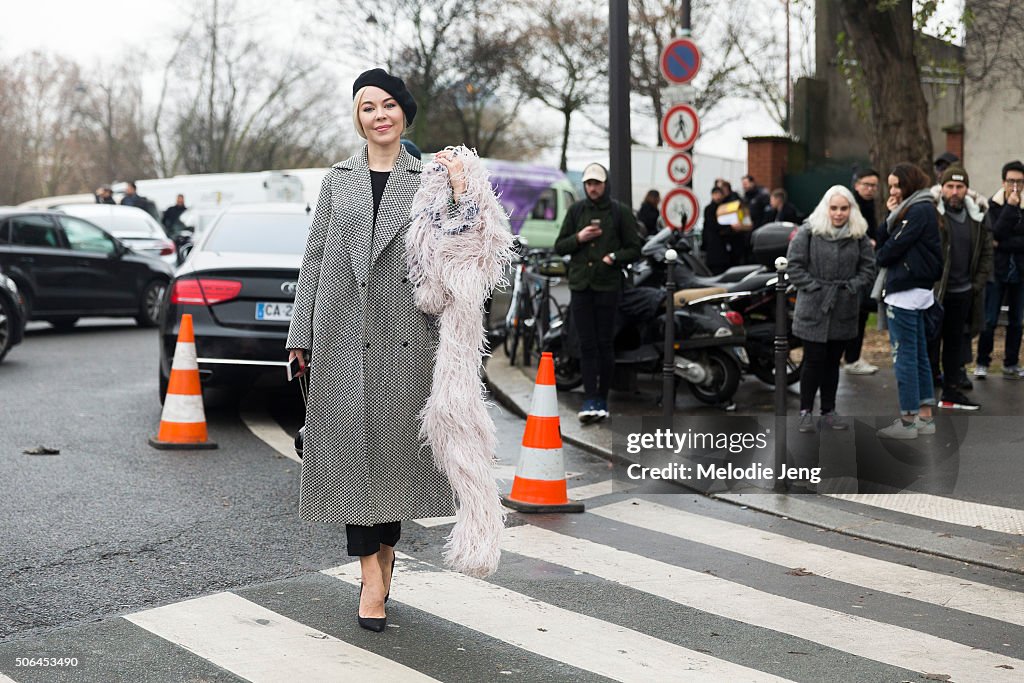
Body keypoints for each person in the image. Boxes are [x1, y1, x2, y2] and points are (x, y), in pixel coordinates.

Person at [285, 68, 473, 633]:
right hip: (340, 339)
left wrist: (462, 193)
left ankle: (382, 560)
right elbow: (314, 261)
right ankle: (371, 580)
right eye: (368, 107)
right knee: (347, 469)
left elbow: (458, 251)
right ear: (358, 118)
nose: (379, 115)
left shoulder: (430, 179)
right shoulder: (336, 180)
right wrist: (300, 338)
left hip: (404, 339)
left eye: (388, 105)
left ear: (405, 114)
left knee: (391, 467)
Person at [555, 162, 642, 423]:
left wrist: (613, 257)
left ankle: (602, 398)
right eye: (589, 183)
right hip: (581, 286)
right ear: (584, 185)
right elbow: (560, 246)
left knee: (605, 343)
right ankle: (589, 397)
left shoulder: (619, 212)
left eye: (597, 183)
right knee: (586, 344)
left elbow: (635, 248)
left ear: (605, 185)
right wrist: (579, 238)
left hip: (607, 286)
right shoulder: (576, 211)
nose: (593, 188)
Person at [786, 186, 876, 433]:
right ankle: (805, 411)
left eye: (844, 208)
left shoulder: (859, 235)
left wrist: (852, 287)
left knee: (832, 362)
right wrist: (813, 287)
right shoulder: (809, 231)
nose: (838, 213)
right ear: (826, 208)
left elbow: (868, 268)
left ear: (851, 210)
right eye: (834, 208)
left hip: (844, 307)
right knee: (813, 361)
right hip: (814, 307)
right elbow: (794, 266)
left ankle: (828, 410)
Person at [874, 163, 943, 440]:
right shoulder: (919, 207)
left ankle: (908, 421)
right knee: (919, 355)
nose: (893, 191)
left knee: (904, 356)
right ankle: (925, 417)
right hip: (918, 290)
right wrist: (891, 215)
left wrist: (891, 223)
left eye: (897, 185)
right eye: (890, 186)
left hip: (905, 291)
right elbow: (886, 238)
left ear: (910, 184)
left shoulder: (918, 210)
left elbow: (886, 251)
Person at [928, 166, 993, 410]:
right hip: (936, 293)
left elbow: (986, 252)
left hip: (964, 292)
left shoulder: (977, 215)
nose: (954, 192)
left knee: (956, 344)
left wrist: (977, 284)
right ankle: (925, 394)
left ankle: (951, 392)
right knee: (930, 343)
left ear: (966, 189)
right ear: (942, 188)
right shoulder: (933, 213)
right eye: (950, 187)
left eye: (959, 187)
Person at [975, 160, 1024, 380]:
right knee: (990, 318)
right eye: (1011, 181)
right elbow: (993, 234)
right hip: (997, 270)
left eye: (1020, 182)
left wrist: (1004, 242)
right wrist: (1011, 209)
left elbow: (1005, 240)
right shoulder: (992, 206)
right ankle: (982, 362)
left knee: (1016, 320)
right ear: (1003, 182)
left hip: (1020, 272)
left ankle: (1011, 363)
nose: (1015, 187)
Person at [843, 168, 882, 375]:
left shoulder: (868, 205)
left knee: (861, 314)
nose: (870, 189)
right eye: (866, 185)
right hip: (852, 269)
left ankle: (853, 357)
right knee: (856, 314)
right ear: (856, 184)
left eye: (874, 185)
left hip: (865, 266)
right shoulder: (851, 206)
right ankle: (851, 358)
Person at [701, 186, 731, 274]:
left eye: (719, 194)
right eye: (715, 194)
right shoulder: (709, 209)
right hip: (713, 244)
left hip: (723, 245)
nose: (718, 197)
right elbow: (712, 225)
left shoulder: (725, 207)